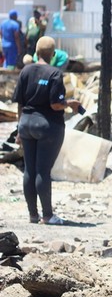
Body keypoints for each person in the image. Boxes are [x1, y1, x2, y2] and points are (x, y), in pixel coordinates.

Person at [12, 36, 81, 225]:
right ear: (53, 54)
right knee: (43, 170)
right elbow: (56, 104)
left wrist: (20, 128)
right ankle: (48, 215)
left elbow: (20, 103)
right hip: (47, 127)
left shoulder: (25, 71)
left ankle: (33, 215)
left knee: (30, 171)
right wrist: (71, 104)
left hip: (26, 123)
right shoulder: (55, 73)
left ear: (36, 51)